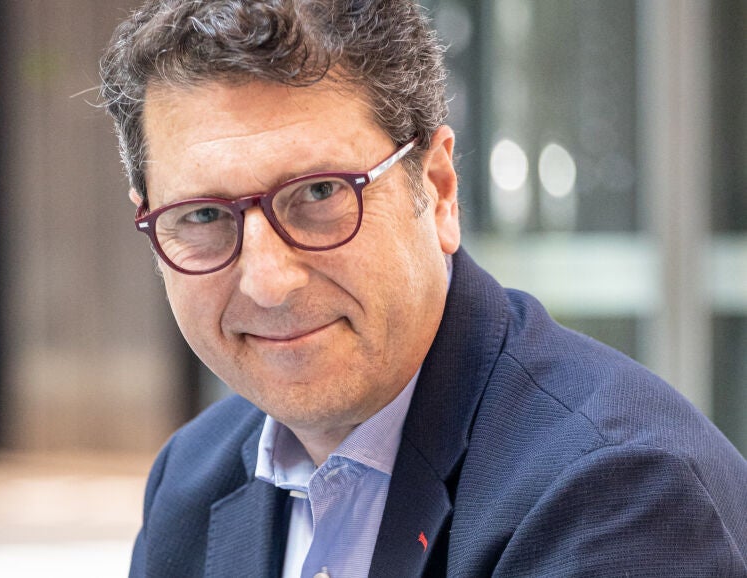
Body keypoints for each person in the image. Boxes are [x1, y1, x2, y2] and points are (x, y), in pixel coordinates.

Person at [98, 1, 747, 576]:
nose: (268, 282)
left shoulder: (616, 493)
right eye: (203, 216)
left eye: (320, 193)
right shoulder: (192, 478)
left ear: (437, 190)